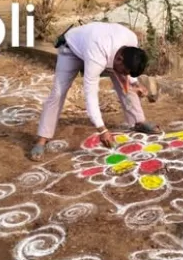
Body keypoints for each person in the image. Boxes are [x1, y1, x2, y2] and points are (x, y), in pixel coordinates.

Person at [29, 22, 159, 161]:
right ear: (120, 59)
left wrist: (134, 83)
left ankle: (138, 121)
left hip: (102, 50)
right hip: (72, 49)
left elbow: (127, 74)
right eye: (124, 70)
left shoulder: (131, 41)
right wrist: (102, 129)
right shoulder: (97, 55)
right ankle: (42, 139)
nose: (124, 73)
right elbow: (90, 95)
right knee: (58, 92)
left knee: (126, 84)